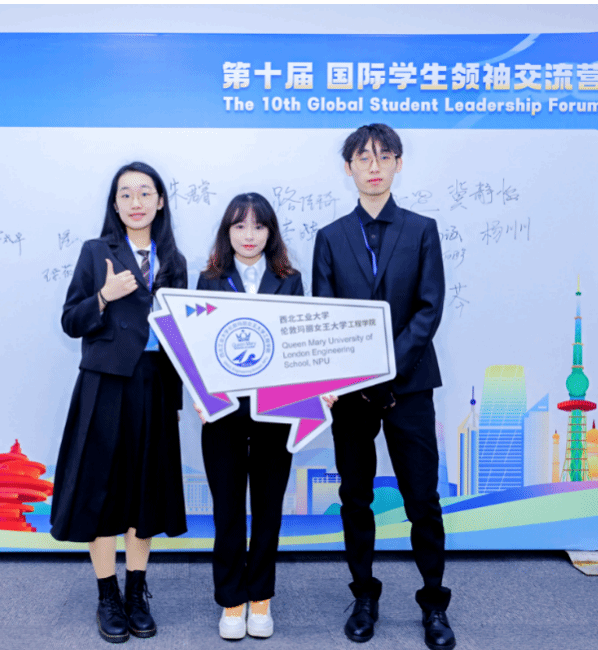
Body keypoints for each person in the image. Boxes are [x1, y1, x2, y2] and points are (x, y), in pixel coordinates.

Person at [312, 124, 455, 650]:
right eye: (363, 158)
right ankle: (364, 597)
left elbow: (429, 308)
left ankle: (434, 602)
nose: (374, 167)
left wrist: (386, 369)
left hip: (410, 386)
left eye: (384, 157)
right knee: (355, 497)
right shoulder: (330, 237)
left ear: (398, 164)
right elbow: (325, 316)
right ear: (348, 168)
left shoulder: (422, 229)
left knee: (423, 499)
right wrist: (357, 375)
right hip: (351, 393)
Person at [50, 161, 188, 644]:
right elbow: (71, 321)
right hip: (105, 385)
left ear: (160, 201)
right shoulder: (96, 252)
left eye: (144, 192)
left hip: (154, 385)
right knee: (101, 491)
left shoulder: (174, 260)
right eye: (125, 194)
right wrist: (104, 297)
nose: (135, 202)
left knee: (144, 491)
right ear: (115, 203)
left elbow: (182, 334)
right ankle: (107, 595)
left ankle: (136, 592)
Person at [194, 193, 303, 640]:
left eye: (259, 226)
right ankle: (231, 601)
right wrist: (200, 394)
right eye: (240, 226)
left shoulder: (290, 280)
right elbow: (197, 346)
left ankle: (260, 598)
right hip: (223, 411)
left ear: (270, 232)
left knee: (268, 508)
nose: (249, 235)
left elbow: (299, 347)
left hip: (277, 411)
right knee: (227, 510)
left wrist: (314, 393)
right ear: (228, 232)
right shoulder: (209, 280)